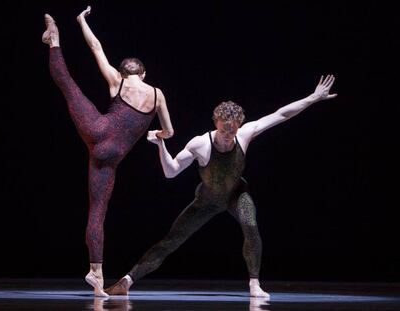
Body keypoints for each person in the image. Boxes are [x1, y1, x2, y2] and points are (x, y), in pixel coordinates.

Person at [104, 75, 337, 298]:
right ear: (216, 123)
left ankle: (254, 284)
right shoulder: (200, 144)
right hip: (206, 200)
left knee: (250, 223)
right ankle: (127, 280)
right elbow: (171, 171)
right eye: (224, 129)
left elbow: (281, 114)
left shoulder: (244, 135)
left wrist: (313, 97)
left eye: (232, 130)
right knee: (172, 240)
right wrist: (160, 145)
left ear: (238, 126)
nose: (228, 135)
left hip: (236, 194)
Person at [42, 6, 174, 297]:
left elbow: (96, 46)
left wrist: (81, 20)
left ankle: (54, 40)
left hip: (96, 131)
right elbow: (170, 132)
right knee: (97, 214)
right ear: (144, 73)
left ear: (125, 70)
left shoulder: (119, 80)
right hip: (111, 158)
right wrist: (158, 135)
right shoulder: (157, 95)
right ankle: (96, 275)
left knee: (68, 86)